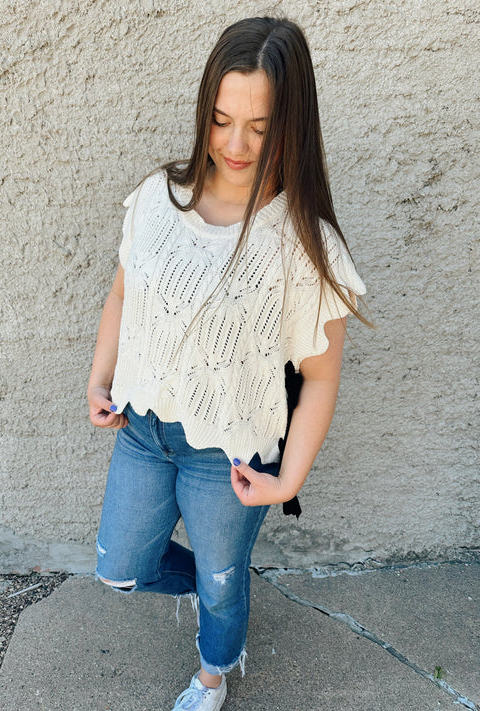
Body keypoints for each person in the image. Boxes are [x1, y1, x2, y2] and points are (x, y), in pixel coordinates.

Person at [87, 15, 369, 711]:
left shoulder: (305, 242)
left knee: (218, 578)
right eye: (220, 119)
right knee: (122, 569)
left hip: (230, 453)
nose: (235, 144)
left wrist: (287, 478)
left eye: (259, 126)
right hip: (142, 431)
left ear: (290, 125)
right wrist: (100, 375)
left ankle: (213, 670)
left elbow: (321, 376)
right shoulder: (159, 198)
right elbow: (123, 291)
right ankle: (227, 590)